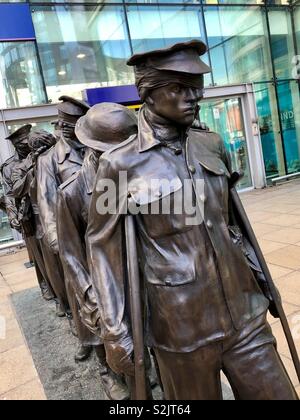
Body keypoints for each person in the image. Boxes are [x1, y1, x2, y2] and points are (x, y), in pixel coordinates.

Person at [86, 40, 298, 400]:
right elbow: (103, 250)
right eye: (178, 88)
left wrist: (263, 281)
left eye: (195, 88)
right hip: (180, 329)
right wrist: (114, 329)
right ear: (149, 95)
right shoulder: (119, 164)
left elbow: (232, 225)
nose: (192, 97)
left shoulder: (211, 144)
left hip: (244, 312)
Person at [57, 102, 137, 399]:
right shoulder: (72, 193)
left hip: (146, 285)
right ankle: (115, 377)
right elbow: (71, 256)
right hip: (105, 291)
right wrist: (94, 303)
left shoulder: (137, 174)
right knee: (127, 370)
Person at [37, 96, 89, 334]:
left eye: (75, 123)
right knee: (79, 290)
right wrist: (57, 240)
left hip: (99, 232)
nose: (69, 128)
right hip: (73, 237)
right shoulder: (48, 160)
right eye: (65, 123)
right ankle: (91, 343)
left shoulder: (95, 148)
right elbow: (46, 201)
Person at [1, 125, 53, 300]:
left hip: (47, 207)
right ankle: (45, 285)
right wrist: (12, 214)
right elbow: (9, 193)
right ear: (15, 144)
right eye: (21, 142)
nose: (25, 143)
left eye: (26, 139)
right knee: (37, 253)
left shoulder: (42, 154)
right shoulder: (9, 166)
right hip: (27, 213)